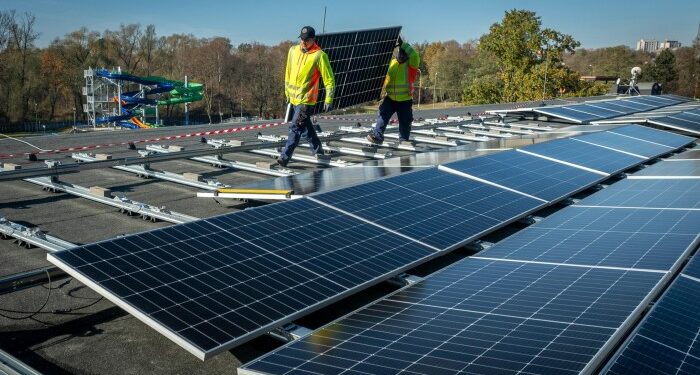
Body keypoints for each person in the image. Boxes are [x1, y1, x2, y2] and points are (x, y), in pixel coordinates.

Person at [278, 26, 335, 167]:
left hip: (307, 100)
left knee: (295, 127)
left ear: (313, 39)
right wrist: (287, 92)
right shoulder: (292, 51)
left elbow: (329, 79)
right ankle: (318, 150)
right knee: (305, 128)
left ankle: (285, 157)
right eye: (302, 39)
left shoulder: (319, 55)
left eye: (306, 40)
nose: (303, 42)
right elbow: (288, 72)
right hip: (294, 99)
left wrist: (329, 98)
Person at [367, 36, 420, 144]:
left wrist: (403, 44)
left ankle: (404, 140)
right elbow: (385, 79)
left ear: (406, 55)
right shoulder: (392, 63)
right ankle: (378, 136)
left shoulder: (411, 64)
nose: (400, 55)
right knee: (382, 116)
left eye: (402, 53)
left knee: (405, 122)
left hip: (405, 99)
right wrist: (378, 92)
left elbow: (414, 54)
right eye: (399, 53)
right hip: (390, 98)